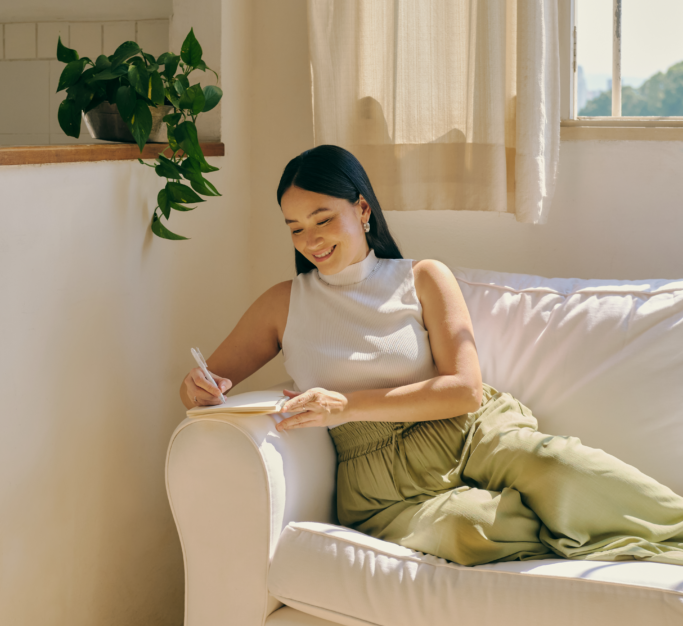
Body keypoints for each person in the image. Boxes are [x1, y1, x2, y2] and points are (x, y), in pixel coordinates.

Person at [181, 145, 683, 566]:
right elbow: (210, 380)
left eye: (322, 218)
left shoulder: (422, 277)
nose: (309, 239)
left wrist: (346, 405)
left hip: (470, 434)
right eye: (294, 227)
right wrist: (197, 388)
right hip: (379, 480)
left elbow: (464, 391)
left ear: (361, 209)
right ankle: (575, 527)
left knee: (557, 465)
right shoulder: (281, 303)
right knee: (470, 529)